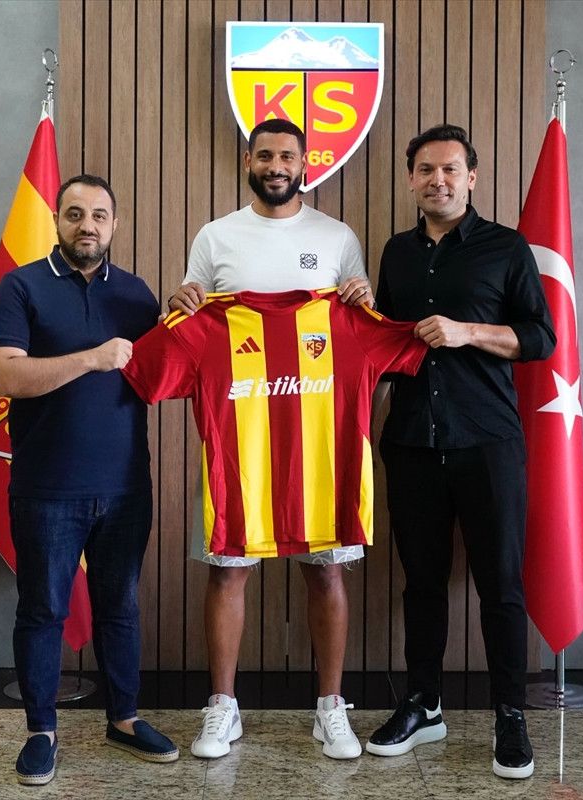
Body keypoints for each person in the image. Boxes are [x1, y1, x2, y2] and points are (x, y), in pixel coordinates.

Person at [168, 118, 374, 761]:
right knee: (228, 571)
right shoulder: (215, 236)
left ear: (305, 163)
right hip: (240, 442)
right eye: (265, 155)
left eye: (287, 155)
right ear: (248, 162)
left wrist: (363, 298)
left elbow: (359, 322)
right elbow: (190, 318)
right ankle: (222, 707)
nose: (276, 165)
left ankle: (330, 708)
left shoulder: (337, 237)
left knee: (328, 572)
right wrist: (183, 303)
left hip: (320, 442)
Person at [365, 124, 555, 780]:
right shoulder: (396, 253)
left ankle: (510, 715)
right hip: (412, 443)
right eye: (425, 170)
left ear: (471, 177)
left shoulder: (507, 247)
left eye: (450, 169)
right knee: (421, 583)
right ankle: (424, 705)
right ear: (410, 179)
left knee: (500, 584)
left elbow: (541, 338)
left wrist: (467, 331)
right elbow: (384, 346)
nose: (437, 180)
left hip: (488, 443)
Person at [0, 174, 178, 785]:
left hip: (125, 486)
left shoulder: (137, 294)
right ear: (57, 221)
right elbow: (3, 377)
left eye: (98, 215)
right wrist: (92, 358)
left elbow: (163, 369)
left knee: (120, 606)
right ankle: (41, 731)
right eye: (74, 214)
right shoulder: (22, 286)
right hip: (47, 487)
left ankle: (124, 719)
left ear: (114, 224)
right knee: (43, 609)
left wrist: (188, 317)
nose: (86, 225)